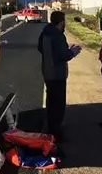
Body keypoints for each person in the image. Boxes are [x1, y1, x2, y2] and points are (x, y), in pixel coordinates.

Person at [37, 11, 82, 141]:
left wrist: (56, 51)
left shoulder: (45, 32)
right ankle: (55, 132)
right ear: (62, 22)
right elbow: (64, 55)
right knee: (58, 104)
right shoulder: (57, 36)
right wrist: (73, 51)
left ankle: (50, 126)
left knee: (51, 100)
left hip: (47, 71)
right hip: (57, 74)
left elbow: (40, 48)